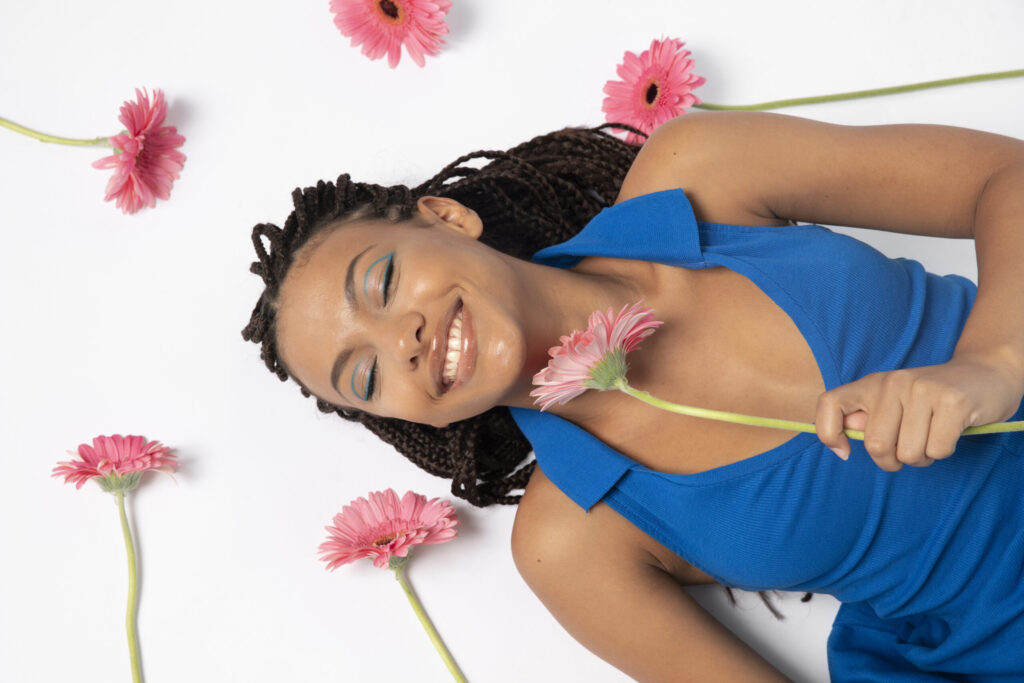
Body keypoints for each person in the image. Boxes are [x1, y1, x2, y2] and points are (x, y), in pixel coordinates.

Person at [243, 111, 1024, 681]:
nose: (402, 341)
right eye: (366, 375)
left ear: (447, 218)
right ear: (405, 418)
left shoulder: (703, 171)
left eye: (382, 282)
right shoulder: (569, 542)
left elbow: (1005, 177)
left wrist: (991, 363)